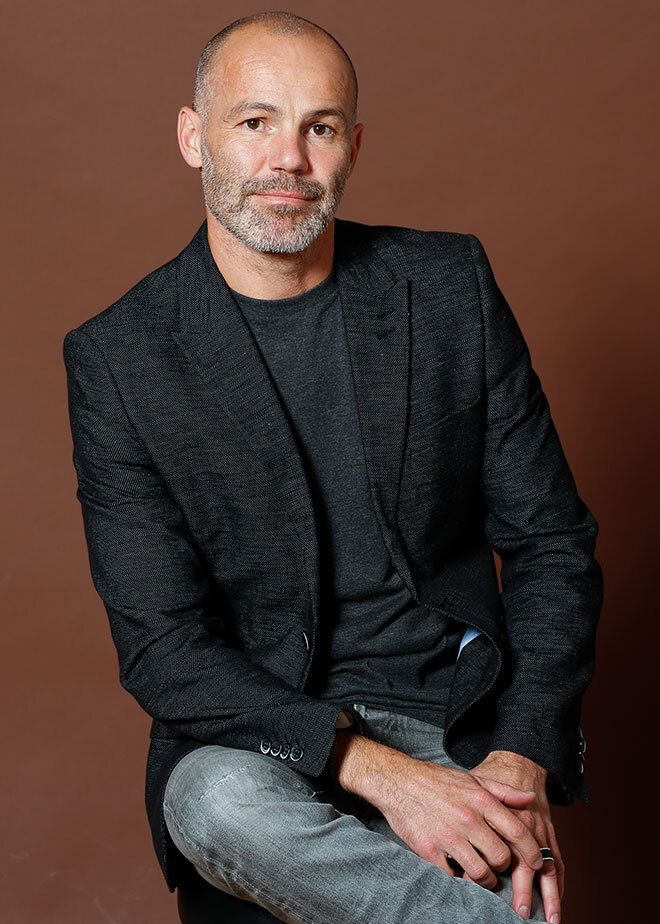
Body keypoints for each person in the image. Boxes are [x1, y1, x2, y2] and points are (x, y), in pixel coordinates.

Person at [62, 10, 603, 924]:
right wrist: (374, 771)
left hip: (454, 719)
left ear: (353, 146)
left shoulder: (447, 286)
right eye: (255, 122)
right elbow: (163, 646)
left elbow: (552, 543)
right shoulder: (121, 358)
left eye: (319, 127)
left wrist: (520, 760)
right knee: (212, 803)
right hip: (263, 743)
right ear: (194, 137)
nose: (289, 159)